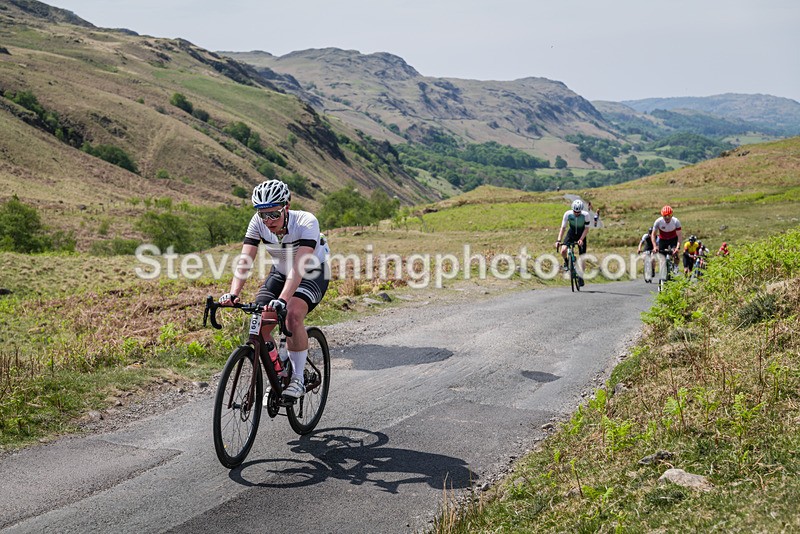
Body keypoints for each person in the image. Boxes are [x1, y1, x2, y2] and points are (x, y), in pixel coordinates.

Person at [218, 179, 330, 399]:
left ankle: (297, 378)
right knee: (261, 320)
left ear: (286, 207)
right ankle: (279, 373)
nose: (268, 221)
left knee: (292, 315)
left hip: (311, 272)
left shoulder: (306, 222)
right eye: (263, 214)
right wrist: (233, 293)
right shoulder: (257, 223)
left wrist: (283, 300)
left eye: (274, 214)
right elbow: (245, 260)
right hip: (280, 272)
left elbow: (298, 269)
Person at [555, 199, 591, 286]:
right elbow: (563, 228)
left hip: (581, 235)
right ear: (572, 209)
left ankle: (581, 277)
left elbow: (586, 229)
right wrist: (558, 240)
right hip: (571, 234)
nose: (576, 213)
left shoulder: (586, 215)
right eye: (575, 211)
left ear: (581, 210)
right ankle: (566, 263)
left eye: (578, 212)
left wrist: (581, 239)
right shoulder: (567, 214)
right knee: (563, 250)